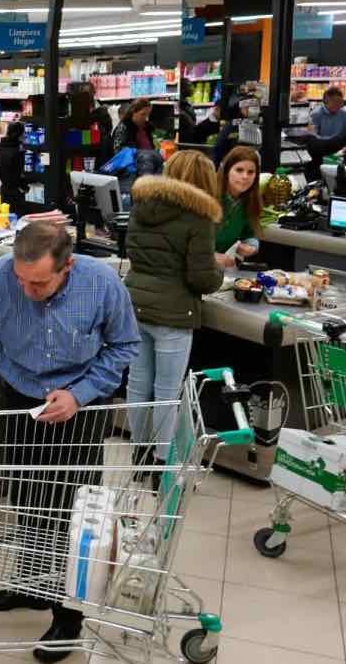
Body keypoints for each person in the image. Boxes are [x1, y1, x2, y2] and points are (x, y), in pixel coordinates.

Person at [0, 221, 140, 663]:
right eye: (21, 279)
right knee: (28, 493)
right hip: (20, 393)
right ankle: (32, 583)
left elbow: (123, 346)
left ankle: (68, 615)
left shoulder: (101, 282)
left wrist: (80, 394)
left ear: (67, 266)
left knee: (71, 508)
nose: (27, 290)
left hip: (82, 400)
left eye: (38, 283)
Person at [124, 151, 224, 470]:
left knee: (138, 384)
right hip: (174, 314)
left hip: (135, 306)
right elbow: (202, 278)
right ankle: (161, 461)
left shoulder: (142, 205)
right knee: (168, 392)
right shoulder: (199, 217)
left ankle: (139, 455)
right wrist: (219, 272)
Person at [214, 146, 265, 267]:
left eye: (250, 172)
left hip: (221, 271)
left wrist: (251, 245)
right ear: (226, 171)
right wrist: (209, 256)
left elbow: (249, 232)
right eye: (239, 170)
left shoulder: (249, 201)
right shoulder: (208, 197)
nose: (245, 177)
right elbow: (184, 240)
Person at [0, 121, 27, 212]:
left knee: (6, 217)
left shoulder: (0, 150)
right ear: (19, 135)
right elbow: (19, 173)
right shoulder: (17, 152)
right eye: (24, 133)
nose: (25, 135)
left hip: (4, 190)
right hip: (16, 193)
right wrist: (24, 186)